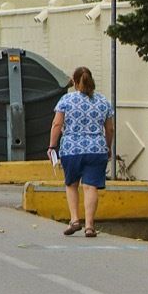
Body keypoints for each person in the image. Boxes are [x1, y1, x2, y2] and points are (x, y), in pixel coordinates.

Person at [49, 66, 115, 237]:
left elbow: (57, 125)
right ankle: (89, 226)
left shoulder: (66, 100)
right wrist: (108, 147)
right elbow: (110, 129)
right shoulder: (103, 101)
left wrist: (52, 145)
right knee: (90, 186)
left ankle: (74, 220)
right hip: (96, 149)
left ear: (75, 81)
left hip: (72, 149)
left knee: (71, 184)